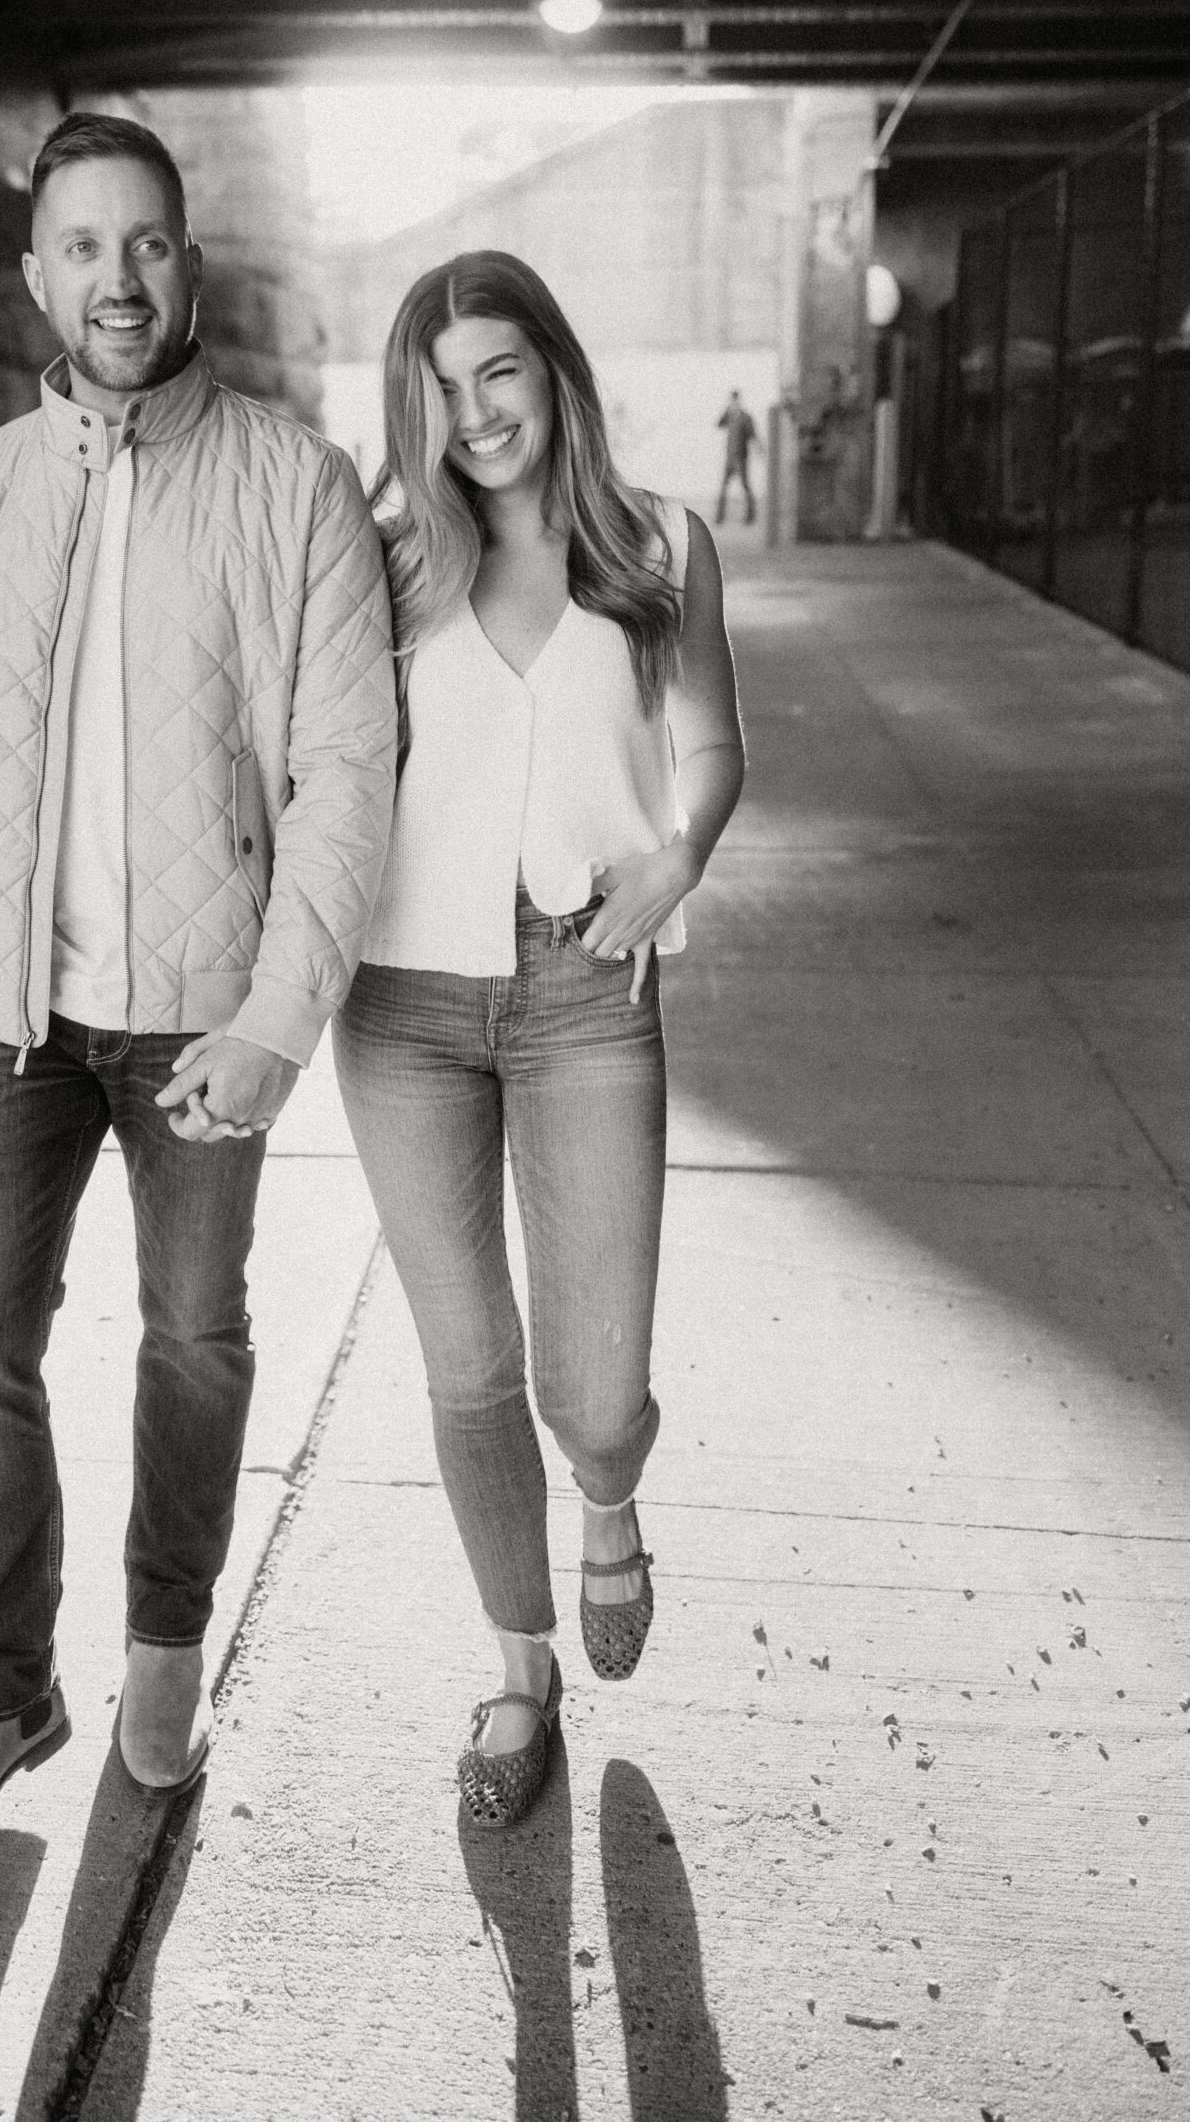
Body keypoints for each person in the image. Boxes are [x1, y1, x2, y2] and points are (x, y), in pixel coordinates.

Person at [0, 112, 395, 1877]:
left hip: (200, 1011)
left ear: (187, 260)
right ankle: (1, 1697)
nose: (117, 279)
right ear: (36, 275)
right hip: (6, 1014)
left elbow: (341, 777)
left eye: (144, 243)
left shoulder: (290, 483)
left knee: (195, 1336)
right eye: (82, 247)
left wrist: (273, 1018)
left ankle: (163, 1647)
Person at [333, 252, 744, 1829]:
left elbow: (704, 738)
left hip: (587, 985)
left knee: (594, 1381)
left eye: (496, 370)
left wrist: (680, 847)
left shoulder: (654, 544)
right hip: (402, 1004)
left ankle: (612, 1499)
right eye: (440, 388)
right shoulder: (378, 564)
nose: (473, 412)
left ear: (552, 370)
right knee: (464, 1366)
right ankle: (517, 1669)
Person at [715, 388, 759, 524]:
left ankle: (750, 517)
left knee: (745, 487)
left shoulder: (745, 417)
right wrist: (726, 410)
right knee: (723, 487)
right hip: (729, 458)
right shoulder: (729, 415)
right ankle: (719, 517)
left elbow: (752, 434)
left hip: (741, 458)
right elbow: (719, 424)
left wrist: (759, 448)